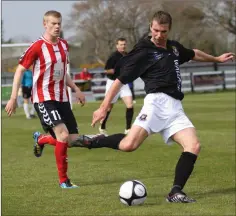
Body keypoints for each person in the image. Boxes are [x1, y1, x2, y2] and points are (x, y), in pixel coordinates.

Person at [71, 11, 235, 202]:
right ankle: (94, 141)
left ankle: (175, 192)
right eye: (155, 30)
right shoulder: (143, 51)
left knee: (193, 145)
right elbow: (119, 80)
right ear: (150, 27)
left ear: (169, 30)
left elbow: (193, 53)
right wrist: (103, 107)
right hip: (155, 104)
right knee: (128, 145)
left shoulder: (173, 48)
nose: (158, 35)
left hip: (175, 107)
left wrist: (216, 59)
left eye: (163, 31)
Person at [5, 10, 87, 189]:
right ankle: (64, 181)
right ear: (45, 24)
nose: (57, 26)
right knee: (63, 135)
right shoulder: (37, 46)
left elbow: (63, 73)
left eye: (59, 23)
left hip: (62, 98)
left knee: (70, 140)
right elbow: (19, 70)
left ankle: (41, 139)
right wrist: (13, 98)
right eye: (53, 23)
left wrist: (75, 89)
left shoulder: (64, 45)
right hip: (43, 98)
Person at [99, 37, 134, 135]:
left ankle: (128, 129)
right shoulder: (113, 56)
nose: (123, 46)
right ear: (117, 45)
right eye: (121, 44)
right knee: (109, 107)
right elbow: (106, 70)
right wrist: (115, 70)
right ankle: (102, 126)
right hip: (113, 83)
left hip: (123, 83)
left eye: (124, 44)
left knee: (130, 105)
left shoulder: (127, 55)